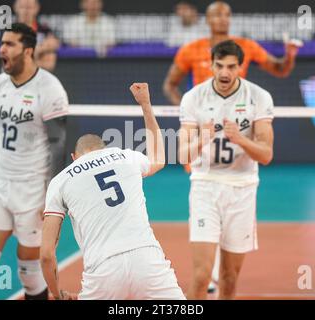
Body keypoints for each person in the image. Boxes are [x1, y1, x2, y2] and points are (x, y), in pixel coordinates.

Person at [40, 83, 185, 300]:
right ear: (104, 149)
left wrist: (57, 294)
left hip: (102, 270)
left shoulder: (60, 180)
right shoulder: (126, 157)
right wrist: (145, 104)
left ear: (74, 157)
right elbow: (159, 158)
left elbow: (46, 255)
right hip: (146, 258)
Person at [0, 23, 69, 300]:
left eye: (9, 44)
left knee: (30, 273)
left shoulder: (50, 88)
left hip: (32, 188)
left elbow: (57, 142)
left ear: (28, 51)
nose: (1, 49)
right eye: (2, 43)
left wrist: (51, 194)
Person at [178, 40, 274, 299]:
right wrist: (202, 138)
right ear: (210, 65)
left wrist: (241, 139)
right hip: (204, 186)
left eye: (231, 67)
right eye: (219, 66)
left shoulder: (259, 97)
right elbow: (181, 154)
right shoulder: (193, 98)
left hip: (242, 189)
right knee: (201, 277)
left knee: (230, 278)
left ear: (241, 68)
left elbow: (266, 155)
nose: (224, 73)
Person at [163, 1, 300, 106]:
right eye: (217, 15)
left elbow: (280, 70)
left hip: (236, 114)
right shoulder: (191, 49)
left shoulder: (246, 46)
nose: (223, 19)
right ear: (208, 20)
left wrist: (290, 55)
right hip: (202, 116)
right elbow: (170, 85)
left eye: (227, 15)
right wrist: (186, 110)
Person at [14, 0, 60, 71]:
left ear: (36, 8)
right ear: (15, 7)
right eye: (22, 7)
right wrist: (38, 51)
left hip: (39, 76)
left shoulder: (45, 31)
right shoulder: (8, 31)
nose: (26, 11)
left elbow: (50, 64)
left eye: (29, 7)